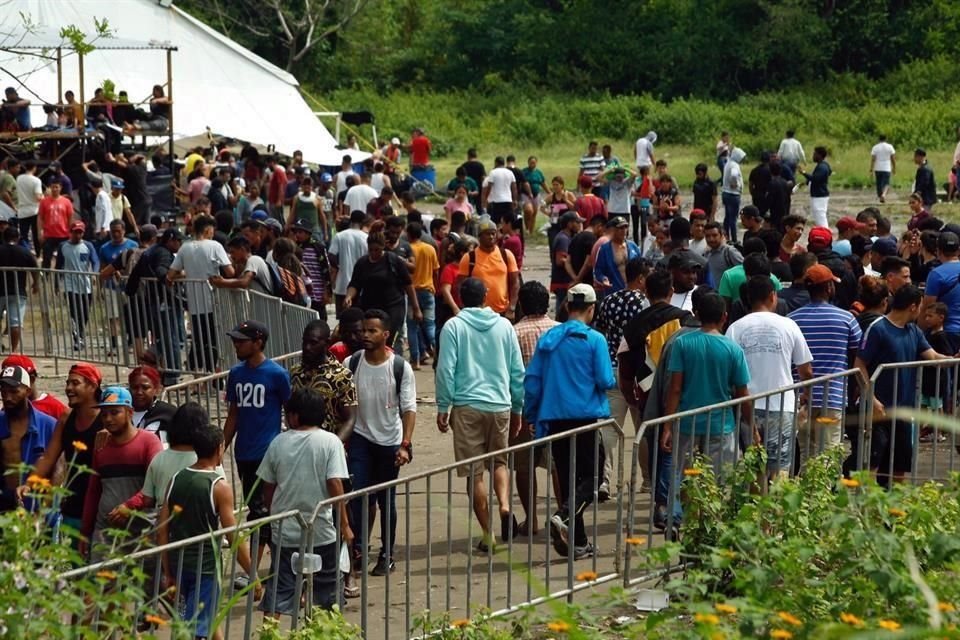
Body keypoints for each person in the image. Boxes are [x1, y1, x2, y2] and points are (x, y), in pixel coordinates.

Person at [524, 283, 615, 558]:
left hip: (554, 418)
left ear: (566, 306)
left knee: (568, 480)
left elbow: (532, 381)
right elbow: (605, 379)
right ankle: (563, 516)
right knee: (593, 478)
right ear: (592, 309)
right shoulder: (594, 340)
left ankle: (579, 541)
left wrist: (531, 414)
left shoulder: (549, 339)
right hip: (585, 417)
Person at [435, 277, 524, 551]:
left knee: (474, 474)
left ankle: (488, 535)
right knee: (499, 463)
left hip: (467, 408)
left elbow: (445, 369)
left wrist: (443, 406)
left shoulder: (453, 327)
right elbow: (517, 370)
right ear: (485, 297)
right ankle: (506, 505)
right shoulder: (504, 326)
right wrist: (517, 408)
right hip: (500, 405)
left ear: (460, 298)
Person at [257, 388, 351, 615]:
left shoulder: (278, 443)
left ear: (295, 416)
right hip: (321, 530)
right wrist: (345, 525)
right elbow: (335, 484)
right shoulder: (331, 442)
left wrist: (273, 513)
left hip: (285, 531)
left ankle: (270, 630)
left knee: (279, 592)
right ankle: (327, 630)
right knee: (328, 595)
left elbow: (268, 485)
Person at [159, 425, 257, 640]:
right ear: (220, 448)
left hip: (178, 564)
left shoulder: (176, 479)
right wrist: (253, 574)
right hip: (205, 568)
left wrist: (167, 570)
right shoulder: (219, 486)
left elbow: (162, 529)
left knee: (202, 620)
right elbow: (233, 535)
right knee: (196, 629)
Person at [856, 285, 952, 487]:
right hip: (879, 410)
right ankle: (866, 503)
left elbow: (933, 356)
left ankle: (895, 504)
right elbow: (859, 365)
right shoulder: (878, 328)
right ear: (913, 307)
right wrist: (871, 398)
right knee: (873, 462)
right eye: (921, 307)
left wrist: (952, 359)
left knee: (900, 464)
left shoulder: (914, 331)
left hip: (904, 410)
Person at [345, 309, 415, 576]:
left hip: (389, 442)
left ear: (385, 334)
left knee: (387, 500)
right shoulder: (352, 363)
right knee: (359, 496)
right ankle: (358, 549)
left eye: (372, 331)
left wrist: (405, 444)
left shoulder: (400, 367)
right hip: (360, 439)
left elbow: (409, 408)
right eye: (363, 330)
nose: (365, 335)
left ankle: (387, 553)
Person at [726, 276, 814, 479]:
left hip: (746, 406)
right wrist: (806, 395)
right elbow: (806, 371)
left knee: (754, 467)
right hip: (781, 406)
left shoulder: (734, 328)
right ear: (772, 295)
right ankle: (777, 500)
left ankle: (755, 499)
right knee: (779, 467)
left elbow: (729, 373)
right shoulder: (788, 325)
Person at [223, 320, 292, 565]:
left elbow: (290, 411)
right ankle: (271, 565)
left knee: (263, 510)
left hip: (268, 452)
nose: (236, 345)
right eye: (235, 341)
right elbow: (233, 414)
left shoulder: (277, 374)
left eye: (241, 341)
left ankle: (256, 567)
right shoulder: (236, 373)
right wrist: (221, 447)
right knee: (258, 509)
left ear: (258, 342)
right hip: (243, 453)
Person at [788, 265, 862, 469]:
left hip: (800, 398)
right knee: (829, 452)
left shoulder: (792, 320)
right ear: (829, 288)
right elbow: (859, 355)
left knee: (806, 454)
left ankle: (807, 489)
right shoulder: (846, 318)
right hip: (833, 397)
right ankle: (826, 489)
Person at [79, 386, 162, 560]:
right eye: (104, 414)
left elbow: (156, 483)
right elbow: (94, 490)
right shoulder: (101, 445)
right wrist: (85, 531)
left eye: (114, 412)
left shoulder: (149, 442)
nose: (108, 419)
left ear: (130, 413)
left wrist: (130, 506)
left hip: (142, 533)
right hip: (106, 533)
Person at [593, 256, 650, 494]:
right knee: (642, 429)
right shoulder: (645, 303)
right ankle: (647, 480)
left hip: (612, 367)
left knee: (608, 428)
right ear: (641, 278)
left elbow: (600, 328)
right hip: (637, 372)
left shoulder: (609, 300)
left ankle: (603, 480)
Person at [511, 281, 558, 535]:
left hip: (524, 408)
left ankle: (532, 520)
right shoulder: (560, 330)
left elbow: (511, 374)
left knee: (524, 466)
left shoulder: (514, 333)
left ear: (521, 304)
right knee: (558, 466)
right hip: (557, 408)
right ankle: (563, 518)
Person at [166, 216, 234, 372]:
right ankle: (212, 374)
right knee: (214, 341)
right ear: (208, 229)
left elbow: (170, 275)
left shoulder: (185, 248)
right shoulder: (215, 246)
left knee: (199, 341)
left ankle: (200, 374)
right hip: (214, 301)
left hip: (195, 303)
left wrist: (189, 274)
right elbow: (230, 272)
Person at [345, 221, 420, 348]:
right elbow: (354, 284)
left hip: (393, 308)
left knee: (388, 341)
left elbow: (408, 285)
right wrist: (349, 296)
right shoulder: (362, 263)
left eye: (377, 250)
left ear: (383, 247)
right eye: (371, 250)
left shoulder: (393, 260)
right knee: (370, 340)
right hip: (370, 308)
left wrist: (416, 308)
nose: (374, 253)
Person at [0, 365, 57, 511]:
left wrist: (47, 507)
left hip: (36, 506)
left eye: (14, 392)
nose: (8, 397)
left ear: (28, 391)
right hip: (4, 505)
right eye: (3, 392)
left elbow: (59, 469)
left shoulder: (48, 425)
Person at [290, 320, 357, 441]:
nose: (307, 347)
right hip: (298, 444)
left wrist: (334, 445)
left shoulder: (342, 375)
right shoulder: (295, 372)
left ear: (327, 343)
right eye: (305, 342)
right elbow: (289, 409)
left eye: (313, 343)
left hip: (328, 445)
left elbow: (350, 419)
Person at [456, 218, 520, 317]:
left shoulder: (506, 255)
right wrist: (464, 308)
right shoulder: (469, 258)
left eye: (493, 233)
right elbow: (460, 285)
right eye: (487, 234)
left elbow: (515, 282)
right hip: (478, 313)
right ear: (479, 236)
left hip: (503, 312)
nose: (491, 237)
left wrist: (512, 308)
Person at [56, 221, 99, 352]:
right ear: (71, 232)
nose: (78, 235)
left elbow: (95, 261)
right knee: (74, 312)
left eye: (80, 232)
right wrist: (57, 284)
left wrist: (94, 274)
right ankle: (78, 338)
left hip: (85, 285)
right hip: (70, 285)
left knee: (85, 313)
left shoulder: (88, 246)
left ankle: (81, 333)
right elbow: (58, 265)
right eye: (75, 232)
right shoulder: (63, 246)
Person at [406, 221, 439, 369]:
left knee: (412, 327)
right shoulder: (430, 249)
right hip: (428, 291)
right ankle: (438, 353)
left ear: (408, 234)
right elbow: (436, 271)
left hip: (411, 293)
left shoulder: (408, 249)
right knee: (430, 325)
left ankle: (416, 360)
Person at [0, 226, 38, 352]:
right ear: (17, 238)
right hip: (18, 292)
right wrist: (36, 283)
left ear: (3, 238)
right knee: (15, 323)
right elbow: (35, 268)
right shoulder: (24, 251)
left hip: (0, 291)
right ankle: (14, 350)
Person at [1, 354, 66, 420]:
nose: (8, 397)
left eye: (13, 390)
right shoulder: (9, 408)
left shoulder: (55, 408)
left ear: (31, 379)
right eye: (4, 390)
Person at [593, 217, 640, 295]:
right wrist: (603, 279)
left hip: (634, 291)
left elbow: (641, 266)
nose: (624, 230)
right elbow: (598, 270)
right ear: (613, 230)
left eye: (626, 227)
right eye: (621, 228)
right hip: (614, 291)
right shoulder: (605, 249)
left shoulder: (633, 246)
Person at [551, 211, 584, 319]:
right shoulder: (563, 239)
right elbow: (560, 260)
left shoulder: (568, 237)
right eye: (577, 222)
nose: (580, 225)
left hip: (565, 282)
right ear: (569, 224)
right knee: (563, 313)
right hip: (562, 282)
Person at [37, 180, 74, 269]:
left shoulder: (66, 202)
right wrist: (39, 232)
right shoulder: (44, 202)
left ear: (60, 188)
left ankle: (59, 276)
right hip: (48, 235)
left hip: (63, 235)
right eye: (53, 187)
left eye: (56, 187)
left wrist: (71, 232)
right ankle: (45, 276)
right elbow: (40, 218)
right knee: (46, 259)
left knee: (62, 259)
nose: (54, 189)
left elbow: (70, 218)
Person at [703, 222, 743, 289]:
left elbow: (744, 271)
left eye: (714, 235)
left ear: (721, 236)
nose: (711, 239)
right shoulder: (707, 254)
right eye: (707, 236)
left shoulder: (730, 252)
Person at [15, 160, 42, 254]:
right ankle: (38, 254)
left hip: (22, 211)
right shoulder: (36, 180)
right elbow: (38, 197)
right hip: (34, 210)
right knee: (35, 234)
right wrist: (45, 196)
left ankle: (24, 253)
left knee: (23, 235)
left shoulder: (19, 178)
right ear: (34, 168)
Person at [801, 146, 831, 228]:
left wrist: (804, 173)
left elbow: (815, 179)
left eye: (815, 154)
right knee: (819, 216)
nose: (813, 156)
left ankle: (825, 233)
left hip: (819, 196)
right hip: (819, 195)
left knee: (820, 217)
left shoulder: (822, 167)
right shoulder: (824, 165)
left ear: (820, 155)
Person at [482, 156, 518, 224]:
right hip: (508, 201)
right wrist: (515, 200)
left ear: (496, 163)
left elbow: (489, 187)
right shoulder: (510, 172)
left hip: (496, 202)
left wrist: (486, 198)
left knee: (496, 222)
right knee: (508, 222)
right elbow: (514, 188)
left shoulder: (493, 172)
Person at [721, 148, 746, 242]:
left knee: (727, 217)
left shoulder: (728, 163)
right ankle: (734, 239)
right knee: (733, 218)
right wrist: (735, 184)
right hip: (733, 194)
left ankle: (726, 236)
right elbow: (734, 175)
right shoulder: (735, 165)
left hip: (725, 193)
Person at [870, 135, 896, 203]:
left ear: (879, 139)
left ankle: (880, 196)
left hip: (877, 167)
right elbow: (893, 158)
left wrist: (871, 168)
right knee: (886, 183)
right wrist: (894, 167)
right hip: (886, 168)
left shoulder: (875, 147)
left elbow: (873, 159)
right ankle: (883, 195)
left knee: (878, 183)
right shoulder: (890, 147)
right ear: (886, 139)